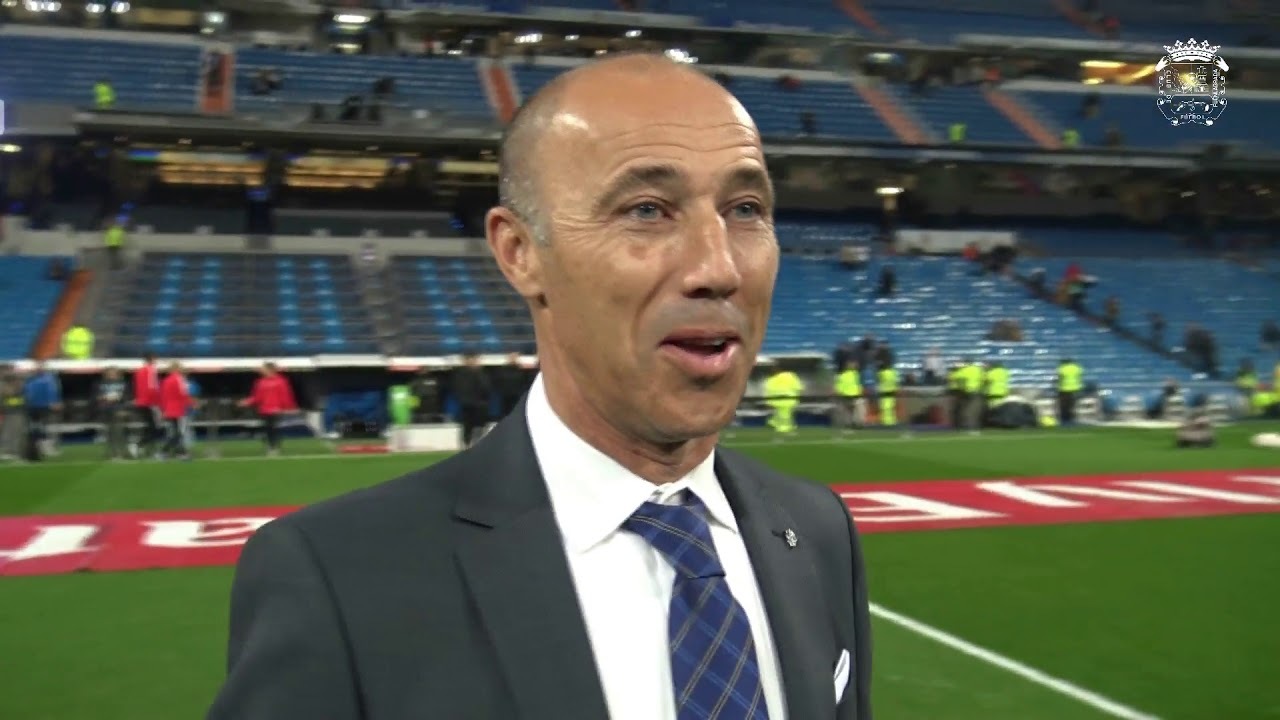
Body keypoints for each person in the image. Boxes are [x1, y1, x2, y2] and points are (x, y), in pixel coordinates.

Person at [208, 52, 872, 720]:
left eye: (746, 208)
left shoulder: (818, 530)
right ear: (520, 253)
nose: (719, 266)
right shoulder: (338, 578)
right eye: (647, 210)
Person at [238, 362, 297, 457]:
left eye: (263, 369)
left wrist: (290, 407)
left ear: (270, 370)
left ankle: (274, 447)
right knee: (267, 429)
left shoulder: (281, 381)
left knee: (273, 429)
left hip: (276, 410)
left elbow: (286, 395)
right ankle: (271, 447)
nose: (261, 370)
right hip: (264, 410)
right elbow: (257, 397)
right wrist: (246, 402)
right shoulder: (260, 382)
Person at [451, 351, 492, 447]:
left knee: (480, 426)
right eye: (473, 359)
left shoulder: (482, 373)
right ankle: (467, 445)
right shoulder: (460, 374)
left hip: (481, 405)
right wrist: (463, 399)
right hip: (467, 404)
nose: (475, 361)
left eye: (476, 359)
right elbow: (458, 388)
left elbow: (487, 388)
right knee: (467, 427)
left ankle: (478, 445)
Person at [159, 362, 194, 460]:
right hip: (179, 410)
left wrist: (163, 410)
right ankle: (165, 452)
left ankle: (179, 453)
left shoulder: (165, 381)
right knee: (179, 433)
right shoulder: (180, 379)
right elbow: (183, 394)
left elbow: (163, 397)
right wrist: (192, 403)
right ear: (177, 369)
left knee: (174, 433)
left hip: (169, 410)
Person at [130, 353, 162, 459]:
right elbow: (152, 388)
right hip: (150, 402)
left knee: (151, 426)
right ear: (152, 359)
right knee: (155, 427)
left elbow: (137, 387)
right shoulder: (151, 370)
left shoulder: (139, 371)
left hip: (141, 402)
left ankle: (141, 446)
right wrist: (157, 403)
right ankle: (139, 445)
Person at [97, 367, 130, 460]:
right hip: (106, 411)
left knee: (119, 432)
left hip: (119, 411)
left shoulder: (123, 384)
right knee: (109, 433)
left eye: (113, 373)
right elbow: (96, 397)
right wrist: (103, 398)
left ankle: (122, 452)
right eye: (110, 373)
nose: (111, 375)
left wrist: (124, 408)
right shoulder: (101, 384)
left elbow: (128, 397)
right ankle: (112, 453)